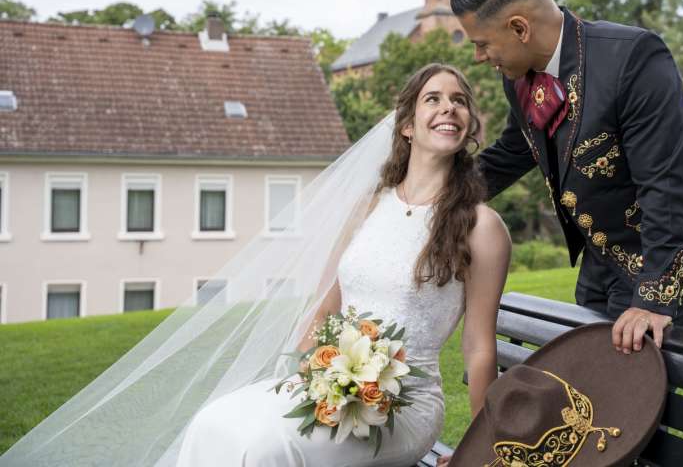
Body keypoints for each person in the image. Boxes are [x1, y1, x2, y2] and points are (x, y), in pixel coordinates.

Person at [0, 64, 510, 467]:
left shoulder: (480, 227)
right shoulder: (367, 208)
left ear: (468, 125)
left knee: (266, 447)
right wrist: (306, 375)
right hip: (330, 382)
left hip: (405, 406)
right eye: (433, 98)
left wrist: (479, 450)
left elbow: (478, 346)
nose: (449, 107)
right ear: (406, 125)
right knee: (214, 422)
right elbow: (325, 308)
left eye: (459, 100)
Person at [452, 0, 683, 356]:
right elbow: (514, 152)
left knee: (628, 384)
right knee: (585, 376)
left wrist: (653, 299)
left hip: (660, 257)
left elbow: (665, 184)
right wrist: (437, 192)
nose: (479, 56)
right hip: (598, 261)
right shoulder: (518, 78)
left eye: (482, 44)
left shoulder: (634, 59)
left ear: (519, 27)